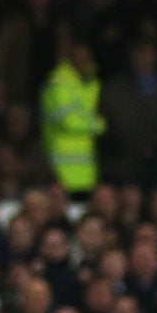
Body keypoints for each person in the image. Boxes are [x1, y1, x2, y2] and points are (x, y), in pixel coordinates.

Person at [40, 33, 106, 200]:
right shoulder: (58, 83)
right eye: (78, 55)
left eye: (86, 55)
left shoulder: (94, 83)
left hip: (89, 172)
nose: (83, 59)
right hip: (60, 171)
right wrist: (98, 125)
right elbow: (69, 121)